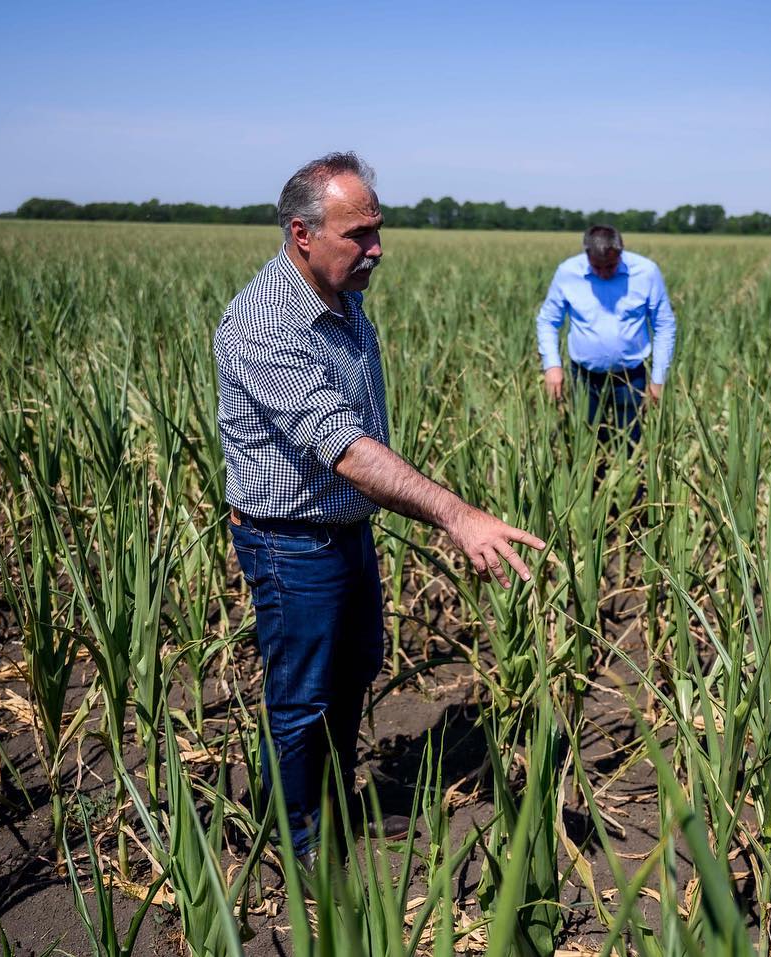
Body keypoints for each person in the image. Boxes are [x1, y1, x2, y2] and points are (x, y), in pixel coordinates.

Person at [214, 152, 545, 862]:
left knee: (355, 667)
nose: (377, 249)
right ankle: (295, 837)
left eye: (377, 229)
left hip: (344, 528)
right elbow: (348, 449)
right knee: (302, 697)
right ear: (302, 234)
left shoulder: (342, 297)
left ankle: (332, 809)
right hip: (290, 541)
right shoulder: (264, 325)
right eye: (358, 234)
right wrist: (457, 514)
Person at [535, 225, 677, 446]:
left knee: (631, 445)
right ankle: (592, 481)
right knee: (586, 444)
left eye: (610, 266)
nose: (603, 273)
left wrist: (658, 378)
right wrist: (552, 365)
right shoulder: (567, 273)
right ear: (587, 254)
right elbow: (548, 320)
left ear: (620, 253)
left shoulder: (646, 272)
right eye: (596, 267)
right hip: (585, 377)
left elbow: (664, 325)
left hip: (631, 377)